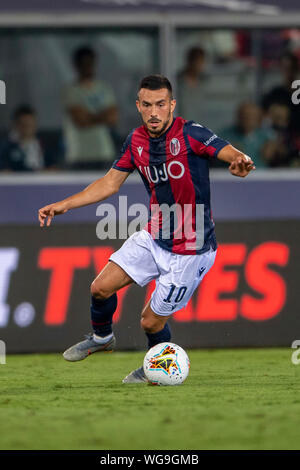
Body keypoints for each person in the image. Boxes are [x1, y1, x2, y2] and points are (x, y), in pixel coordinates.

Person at [38, 75, 255, 383]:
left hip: (191, 249)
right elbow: (110, 183)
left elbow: (228, 151)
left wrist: (240, 160)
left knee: (150, 322)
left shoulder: (191, 133)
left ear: (172, 106)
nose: (154, 112)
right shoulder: (136, 140)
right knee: (100, 288)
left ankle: (156, 370)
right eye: (148, 105)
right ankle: (102, 339)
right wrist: (65, 204)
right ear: (138, 106)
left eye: (161, 105)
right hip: (154, 237)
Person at [62, 45, 118, 170]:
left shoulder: (104, 88)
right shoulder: (71, 91)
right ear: (76, 65)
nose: (88, 67)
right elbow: (81, 121)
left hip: (104, 153)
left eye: (90, 63)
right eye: (84, 63)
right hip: (79, 155)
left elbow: (113, 118)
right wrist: (102, 115)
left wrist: (90, 116)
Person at [219, 102, 277, 168]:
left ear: (259, 118)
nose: (248, 120)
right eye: (245, 116)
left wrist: (274, 150)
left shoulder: (267, 135)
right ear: (238, 117)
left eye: (252, 116)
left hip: (260, 175)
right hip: (231, 175)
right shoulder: (225, 134)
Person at [0, 105, 44, 172]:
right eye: (24, 125)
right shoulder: (6, 148)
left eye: (31, 125)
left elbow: (54, 167)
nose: (28, 129)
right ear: (16, 125)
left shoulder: (44, 145)